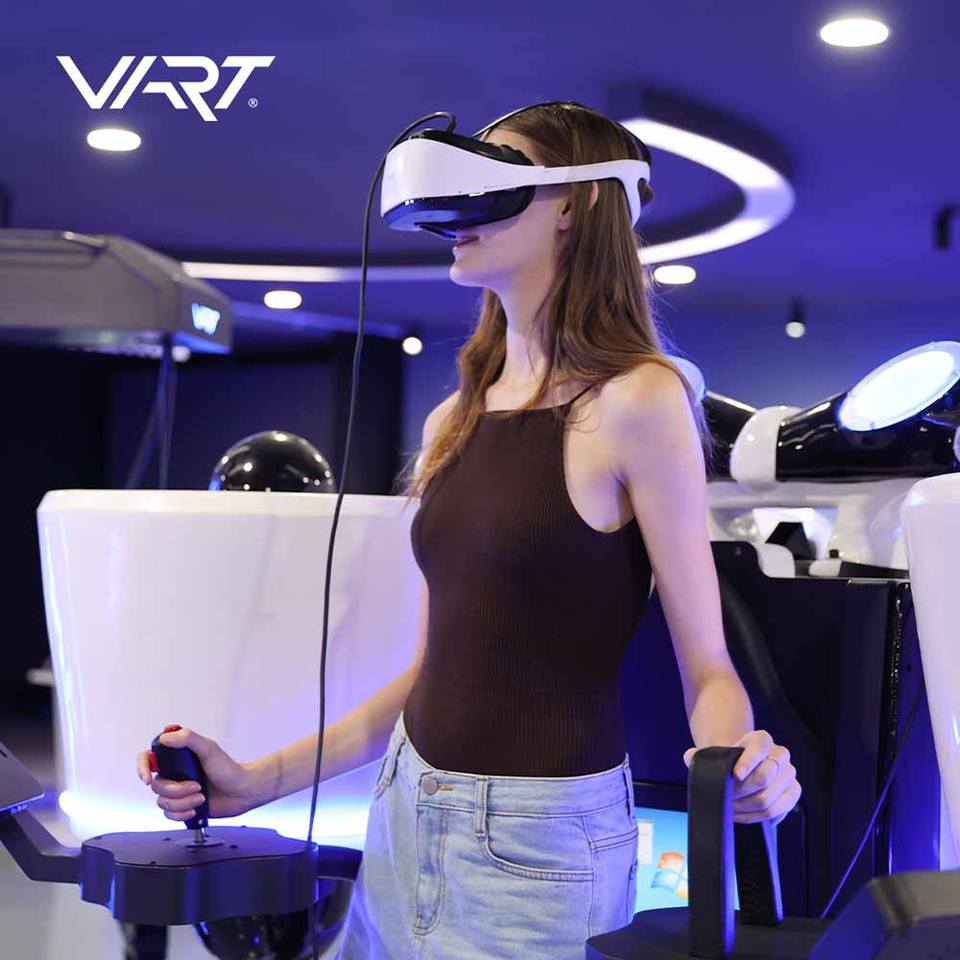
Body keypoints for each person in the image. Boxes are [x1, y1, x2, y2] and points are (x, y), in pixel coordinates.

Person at [136, 101, 802, 958]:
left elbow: (706, 664)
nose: (456, 213)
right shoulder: (453, 419)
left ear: (574, 205)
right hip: (404, 810)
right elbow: (431, 674)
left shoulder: (640, 400)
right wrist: (255, 780)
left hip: (539, 847)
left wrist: (739, 764)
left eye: (494, 178)